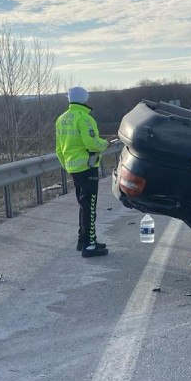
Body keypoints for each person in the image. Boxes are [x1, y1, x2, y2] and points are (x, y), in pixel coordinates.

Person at [56, 86, 110, 258]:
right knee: (89, 207)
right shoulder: (84, 118)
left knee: (83, 205)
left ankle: (83, 240)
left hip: (73, 168)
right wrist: (105, 144)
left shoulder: (62, 119)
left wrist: (67, 165)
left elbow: (59, 149)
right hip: (87, 168)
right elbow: (92, 144)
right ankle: (90, 246)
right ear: (84, 98)